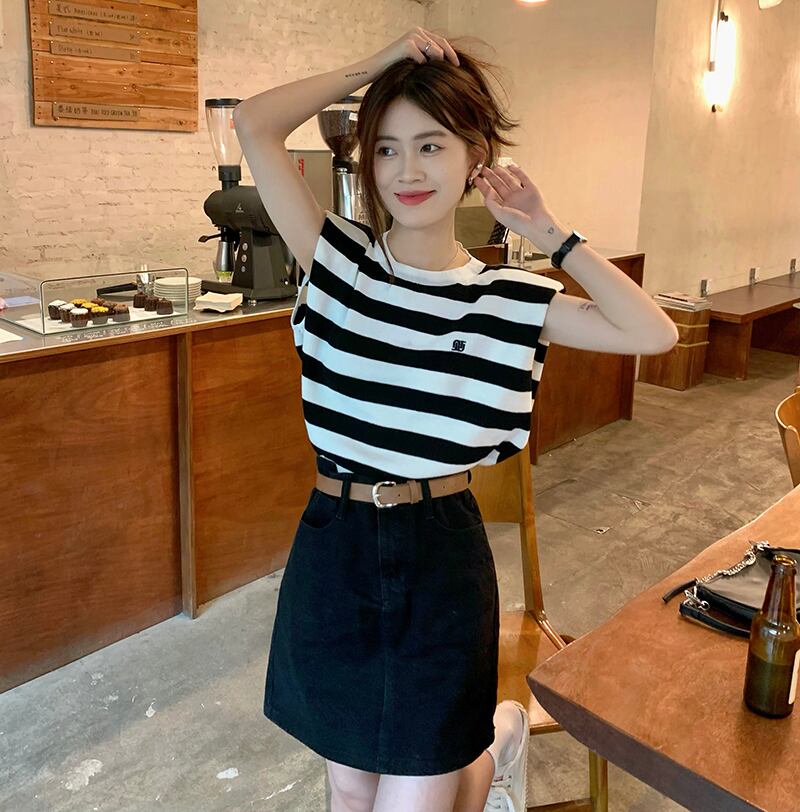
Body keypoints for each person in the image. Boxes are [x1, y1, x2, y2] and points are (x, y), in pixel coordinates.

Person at [234, 27, 677, 812]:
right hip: (333, 548)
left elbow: (654, 333)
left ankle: (491, 753)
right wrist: (378, 64)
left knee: (416, 792)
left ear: (476, 156)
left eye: (431, 146)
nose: (407, 171)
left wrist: (548, 231)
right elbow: (254, 123)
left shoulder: (510, 299)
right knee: (351, 786)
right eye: (387, 149)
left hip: (439, 557)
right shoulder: (335, 261)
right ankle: (497, 750)